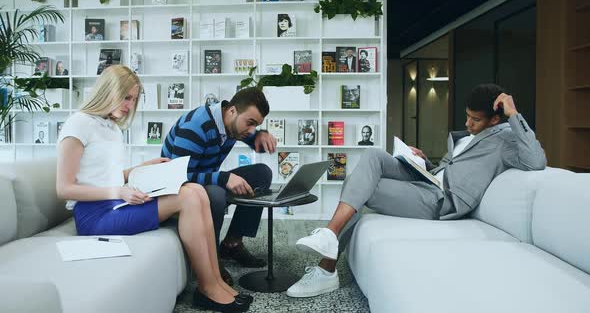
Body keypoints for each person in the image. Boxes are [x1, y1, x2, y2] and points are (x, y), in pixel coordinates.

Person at [286, 83, 547, 298]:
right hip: (428, 180)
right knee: (373, 155)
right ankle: (329, 243)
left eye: (476, 119)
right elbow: (453, 168)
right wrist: (425, 163)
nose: (468, 123)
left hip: (442, 200)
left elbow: (536, 161)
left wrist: (515, 115)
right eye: (467, 116)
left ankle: (327, 261)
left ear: (496, 118)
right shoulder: (469, 136)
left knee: (360, 185)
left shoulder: (505, 140)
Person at [55, 65, 252, 312]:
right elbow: (64, 188)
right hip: (94, 215)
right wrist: (119, 191)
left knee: (195, 191)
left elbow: (107, 176)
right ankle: (207, 288)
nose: (130, 105)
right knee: (188, 198)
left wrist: (143, 167)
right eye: (126, 97)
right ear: (107, 91)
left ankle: (215, 282)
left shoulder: (111, 127)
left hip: (116, 203)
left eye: (134, 99)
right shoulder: (79, 124)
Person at [161, 87, 277, 285]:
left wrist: (260, 135)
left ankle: (232, 244)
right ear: (231, 111)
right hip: (178, 191)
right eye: (250, 123)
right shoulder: (195, 127)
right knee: (214, 193)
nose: (250, 130)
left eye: (255, 125)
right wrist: (224, 179)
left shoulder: (231, 123)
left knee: (261, 173)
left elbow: (250, 134)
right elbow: (177, 177)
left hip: (202, 181)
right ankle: (209, 259)